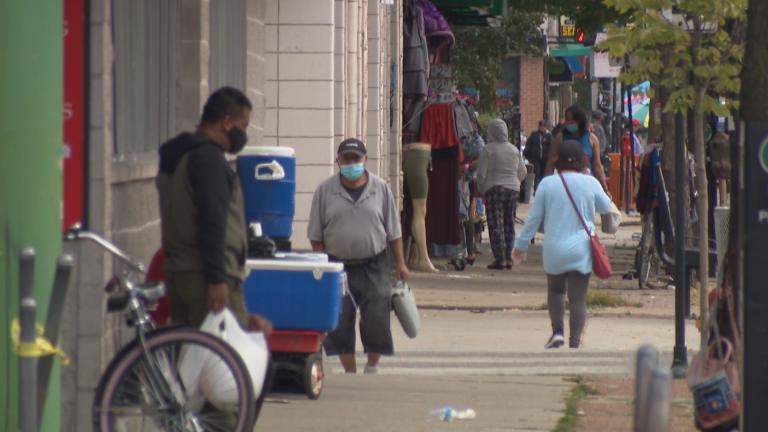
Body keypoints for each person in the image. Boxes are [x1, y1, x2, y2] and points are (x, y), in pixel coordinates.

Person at [156, 86, 272, 334]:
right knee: (229, 362)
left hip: (180, 273)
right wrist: (217, 278)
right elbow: (212, 220)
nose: (244, 134)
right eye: (244, 126)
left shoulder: (179, 156)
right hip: (207, 276)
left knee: (192, 357)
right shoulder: (209, 160)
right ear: (227, 122)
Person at [308, 138, 410, 374]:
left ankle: (372, 364)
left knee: (376, 316)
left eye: (356, 159)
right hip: (336, 265)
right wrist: (321, 265)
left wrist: (401, 265)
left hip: (374, 263)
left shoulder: (380, 188)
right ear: (338, 161)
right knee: (341, 320)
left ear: (365, 160)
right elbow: (315, 235)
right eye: (346, 159)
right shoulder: (325, 191)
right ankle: (350, 371)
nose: (351, 163)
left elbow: (394, 231)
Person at [512, 140, 613, 349]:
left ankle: (557, 332)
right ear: (582, 160)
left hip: (554, 248)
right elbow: (606, 207)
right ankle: (574, 343)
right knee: (578, 298)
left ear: (557, 160)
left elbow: (533, 219)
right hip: (581, 248)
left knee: (556, 291)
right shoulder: (590, 182)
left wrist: (521, 245)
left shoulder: (547, 184)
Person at [477, 119, 528, 270]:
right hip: (512, 190)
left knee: (496, 224)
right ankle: (509, 257)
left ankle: (500, 259)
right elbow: (523, 172)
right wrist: (515, 182)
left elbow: (481, 174)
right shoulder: (514, 150)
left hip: (494, 188)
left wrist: (482, 188)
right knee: (509, 223)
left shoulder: (488, 149)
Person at [545, 105, 610, 196]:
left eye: (570, 120)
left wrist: (605, 189)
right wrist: (547, 186)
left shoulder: (592, 139)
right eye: (566, 119)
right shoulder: (560, 138)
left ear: (579, 121)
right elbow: (550, 163)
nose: (567, 122)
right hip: (565, 187)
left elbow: (597, 166)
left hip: (586, 187)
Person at [524, 121, 552, 192]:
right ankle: (536, 189)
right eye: (541, 126)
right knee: (537, 172)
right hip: (535, 158)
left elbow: (552, 147)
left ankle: (543, 188)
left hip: (545, 158)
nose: (542, 128)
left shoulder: (549, 136)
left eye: (544, 126)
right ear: (539, 127)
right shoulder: (534, 135)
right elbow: (528, 145)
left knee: (543, 173)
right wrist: (528, 155)